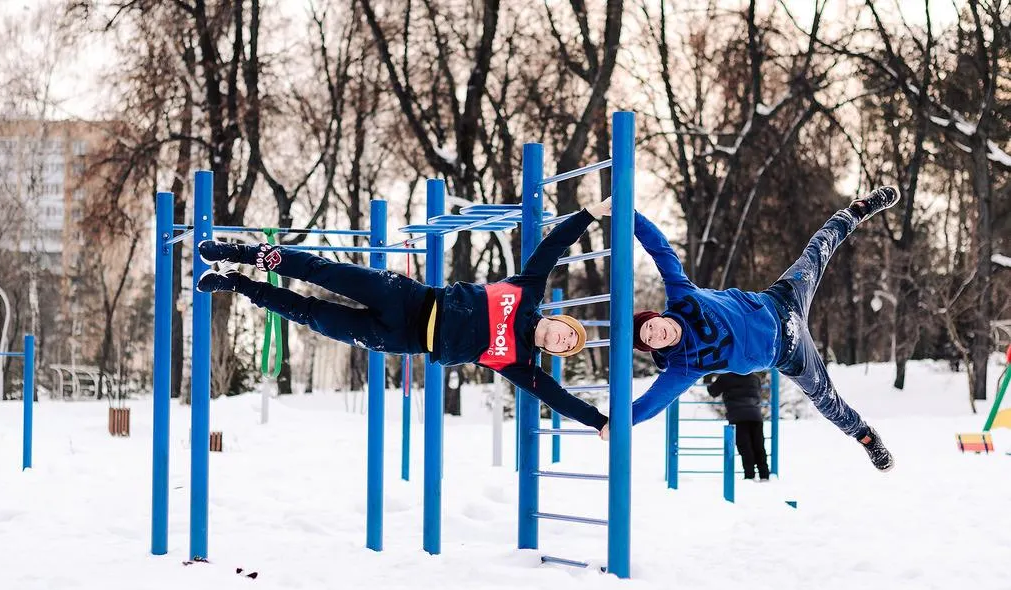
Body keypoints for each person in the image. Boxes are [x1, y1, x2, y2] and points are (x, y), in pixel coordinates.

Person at [195, 198, 612, 437]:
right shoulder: (528, 291)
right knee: (319, 270)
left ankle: (239, 285)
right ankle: (240, 254)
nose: (562, 342)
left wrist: (599, 423)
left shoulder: (521, 364)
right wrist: (590, 214)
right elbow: (552, 246)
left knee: (312, 315)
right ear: (560, 321)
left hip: (401, 339)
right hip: (408, 298)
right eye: (566, 334)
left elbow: (557, 398)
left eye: (566, 348)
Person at [619, 188, 899, 472]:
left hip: (782, 300)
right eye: (650, 340)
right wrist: (617, 422)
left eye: (652, 327)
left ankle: (858, 210)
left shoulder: (681, 295)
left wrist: (630, 217)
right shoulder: (684, 366)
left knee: (818, 250)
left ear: (656, 316)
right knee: (826, 400)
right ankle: (865, 436)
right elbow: (653, 401)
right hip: (789, 353)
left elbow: (661, 251)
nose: (657, 335)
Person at [706, 372, 769, 481]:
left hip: (737, 416)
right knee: (759, 446)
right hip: (755, 415)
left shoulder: (725, 377)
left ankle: (749, 476)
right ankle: (764, 475)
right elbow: (758, 392)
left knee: (745, 448)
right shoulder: (755, 378)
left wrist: (708, 376)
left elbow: (713, 392)